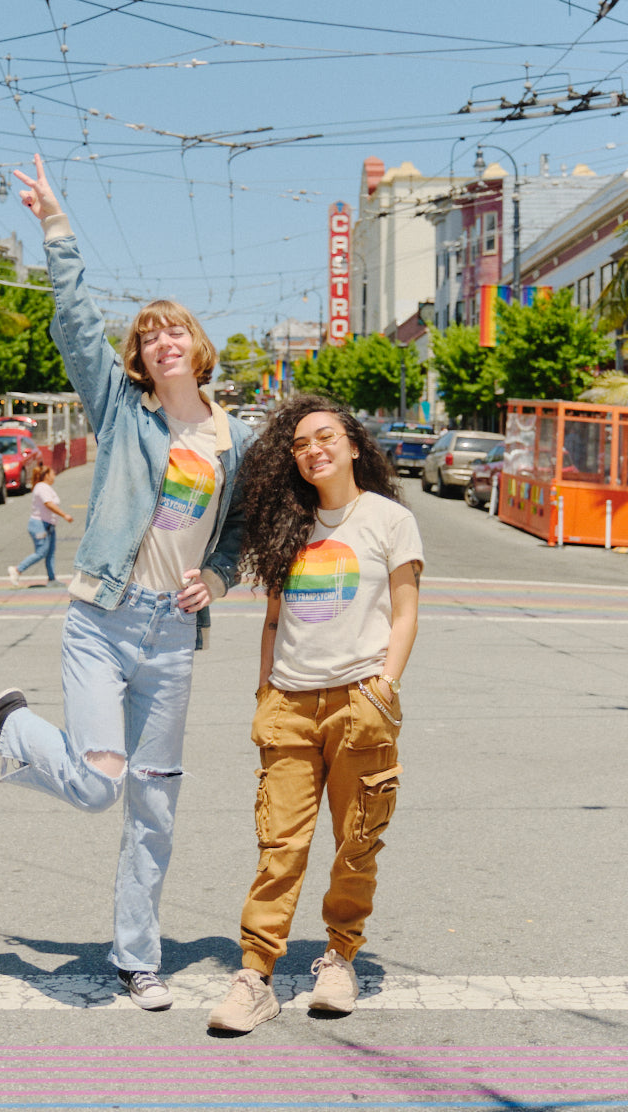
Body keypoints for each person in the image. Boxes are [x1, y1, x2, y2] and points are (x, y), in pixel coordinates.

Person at [0, 154, 253, 1012]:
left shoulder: (232, 437)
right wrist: (55, 225)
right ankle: (13, 730)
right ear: (139, 357)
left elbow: (231, 538)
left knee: (153, 807)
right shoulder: (125, 414)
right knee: (96, 784)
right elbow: (77, 323)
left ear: (197, 346)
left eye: (174, 329)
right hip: (102, 619)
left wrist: (218, 583)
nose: (161, 340)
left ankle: (138, 958)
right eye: (146, 334)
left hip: (173, 638)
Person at [208, 393, 423, 1033]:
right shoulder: (287, 524)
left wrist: (386, 684)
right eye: (300, 444)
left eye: (324, 437)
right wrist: (264, 693)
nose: (312, 450)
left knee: (356, 843)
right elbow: (274, 618)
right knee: (280, 846)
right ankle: (255, 975)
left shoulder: (388, 519)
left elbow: (406, 612)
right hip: (290, 701)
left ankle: (338, 958)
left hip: (361, 699)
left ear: (353, 445)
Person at [8, 464, 73, 587]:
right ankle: (17, 570)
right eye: (52, 474)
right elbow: (48, 504)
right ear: (46, 475)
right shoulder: (41, 487)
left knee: (50, 552)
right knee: (41, 552)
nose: (54, 476)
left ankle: (52, 579)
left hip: (48, 525)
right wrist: (64, 515)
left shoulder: (46, 487)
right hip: (39, 525)